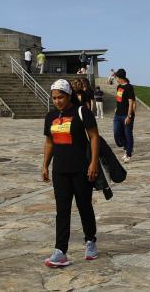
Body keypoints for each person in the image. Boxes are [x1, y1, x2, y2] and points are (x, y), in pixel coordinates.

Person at [41, 79, 99, 268]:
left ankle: (90, 240)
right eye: (54, 98)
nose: (57, 101)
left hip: (81, 169)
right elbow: (50, 142)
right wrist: (45, 165)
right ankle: (60, 251)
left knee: (84, 206)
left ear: (68, 96)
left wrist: (93, 163)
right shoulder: (50, 116)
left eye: (60, 97)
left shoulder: (81, 112)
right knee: (62, 211)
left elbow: (94, 136)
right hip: (60, 171)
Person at [112, 69, 135, 163]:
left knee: (128, 134)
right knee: (116, 133)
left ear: (120, 77)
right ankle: (127, 147)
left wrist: (129, 116)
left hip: (126, 115)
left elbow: (131, 103)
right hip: (117, 115)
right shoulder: (118, 87)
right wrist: (117, 108)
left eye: (116, 77)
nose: (116, 79)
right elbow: (119, 100)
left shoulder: (129, 87)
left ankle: (128, 154)